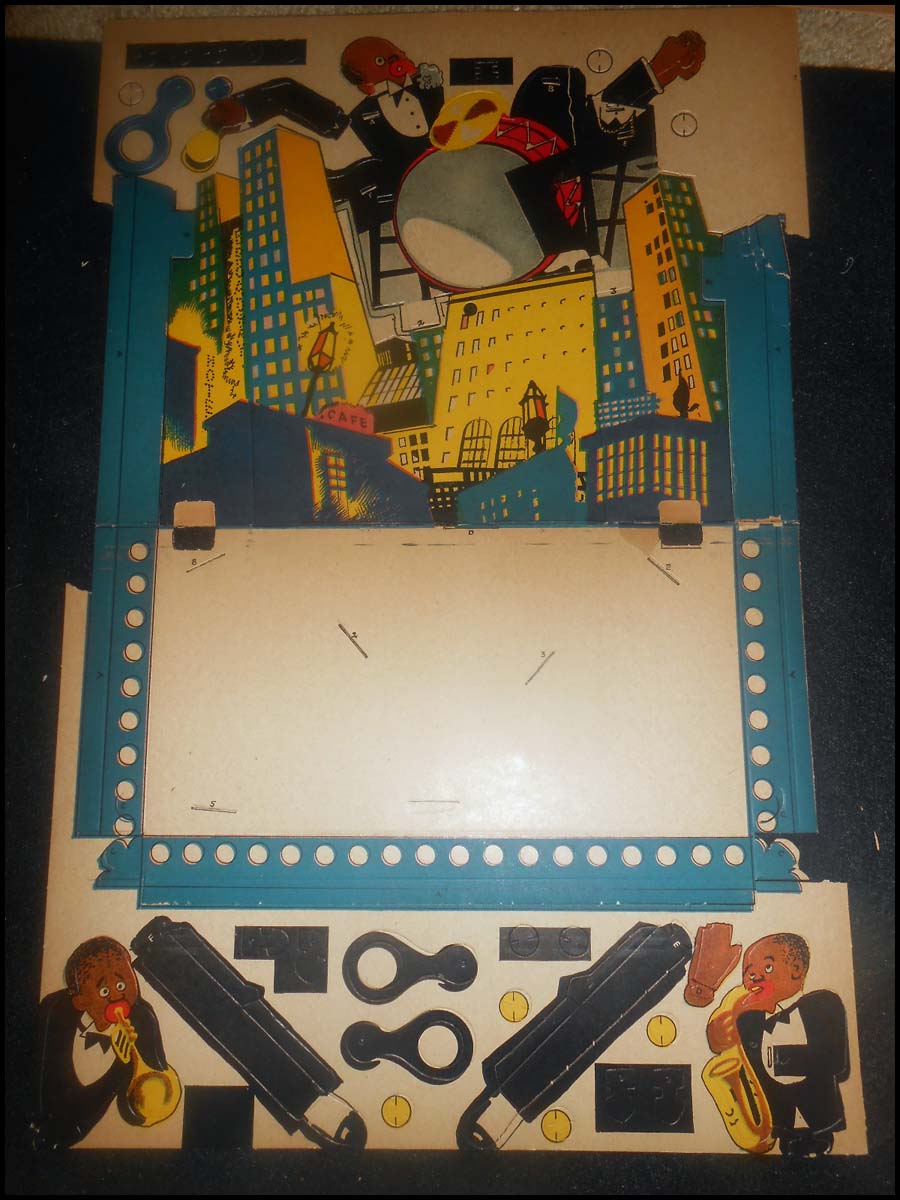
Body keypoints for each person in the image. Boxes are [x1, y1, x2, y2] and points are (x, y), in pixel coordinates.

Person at [706, 932, 850, 1157]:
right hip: (780, 1122)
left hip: (820, 1115)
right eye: (749, 974)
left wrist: (781, 1058)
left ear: (796, 970)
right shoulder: (748, 1019)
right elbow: (735, 1057)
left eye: (768, 968)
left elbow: (837, 1065)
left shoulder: (823, 1003)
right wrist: (720, 1030)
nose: (755, 978)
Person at [32, 936, 178, 1149]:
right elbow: (62, 1112)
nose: (118, 997)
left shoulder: (143, 1018)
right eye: (104, 992)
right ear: (80, 1001)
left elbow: (136, 1108)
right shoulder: (56, 1013)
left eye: (122, 984)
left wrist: (128, 1062)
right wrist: (119, 1068)